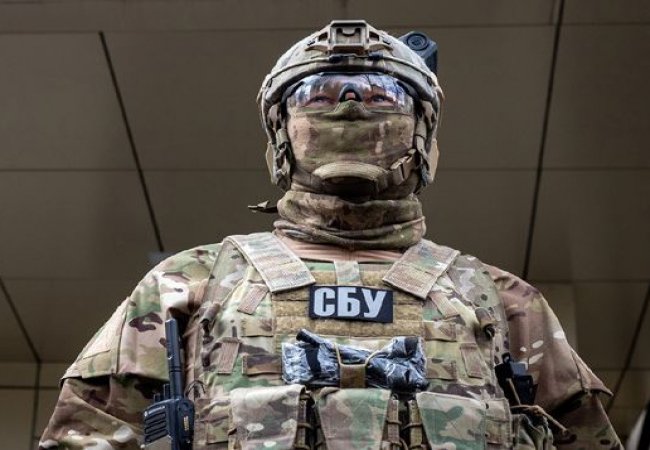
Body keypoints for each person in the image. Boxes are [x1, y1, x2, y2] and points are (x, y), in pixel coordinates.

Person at [39, 20, 622, 449]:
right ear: (281, 136)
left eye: (381, 96)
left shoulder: (504, 301)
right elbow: (87, 434)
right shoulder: (187, 284)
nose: (349, 108)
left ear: (422, 134)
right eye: (317, 96)